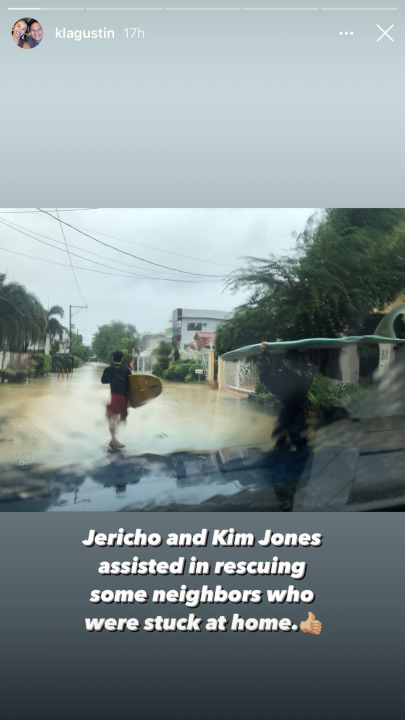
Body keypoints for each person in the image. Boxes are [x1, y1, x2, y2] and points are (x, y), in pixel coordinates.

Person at [257, 345, 316, 511]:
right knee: (303, 445)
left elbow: (264, 374)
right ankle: (303, 477)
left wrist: (264, 353)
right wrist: (302, 355)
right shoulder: (307, 376)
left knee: (279, 444)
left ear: (287, 362)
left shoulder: (283, 378)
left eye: (285, 360)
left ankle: (280, 483)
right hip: (301, 416)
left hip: (288, 416)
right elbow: (308, 366)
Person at [101, 351, 132, 452]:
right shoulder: (127, 370)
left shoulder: (108, 369)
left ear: (113, 358)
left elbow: (103, 381)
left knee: (114, 420)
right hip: (123, 397)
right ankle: (114, 441)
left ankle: (113, 440)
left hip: (114, 396)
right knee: (122, 419)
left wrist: (113, 377)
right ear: (122, 358)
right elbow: (132, 385)